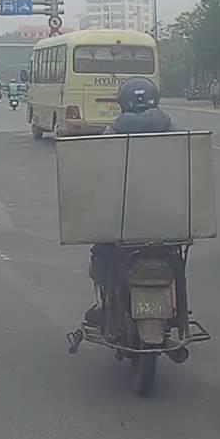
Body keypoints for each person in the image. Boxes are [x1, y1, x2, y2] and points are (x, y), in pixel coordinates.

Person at [83, 78, 179, 327]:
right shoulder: (173, 128)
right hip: (166, 215)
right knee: (176, 255)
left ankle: (105, 305)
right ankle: (176, 305)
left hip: (123, 216)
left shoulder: (113, 131)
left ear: (123, 103)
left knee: (101, 255)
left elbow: (99, 171)